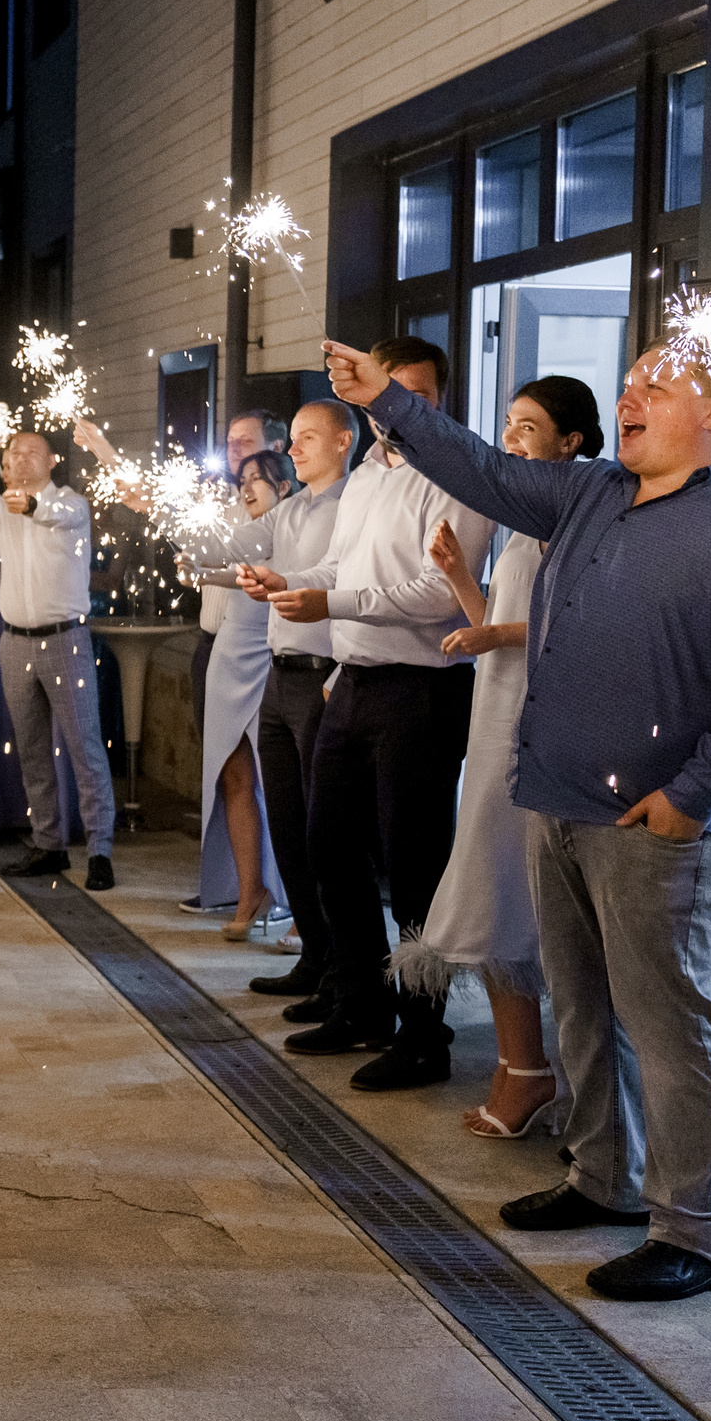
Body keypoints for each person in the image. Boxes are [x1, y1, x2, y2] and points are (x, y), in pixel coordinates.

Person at [328, 336, 711, 1301]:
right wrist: (387, 401)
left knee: (672, 1019)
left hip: (664, 823)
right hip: (556, 798)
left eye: (658, 384)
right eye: (629, 379)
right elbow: (481, 466)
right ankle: (601, 1174)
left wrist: (690, 796)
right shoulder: (593, 491)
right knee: (583, 1004)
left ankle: (696, 1227)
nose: (630, 394)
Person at [241, 341, 494, 1090]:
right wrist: (290, 580)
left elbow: (440, 594)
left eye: (415, 393)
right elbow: (345, 572)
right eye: (389, 392)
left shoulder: (461, 474)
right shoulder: (366, 477)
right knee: (328, 844)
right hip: (353, 682)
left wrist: (333, 602)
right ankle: (359, 1001)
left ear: (439, 399)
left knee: (414, 867)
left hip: (421, 689)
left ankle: (425, 1035)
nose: (399, 407)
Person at [394, 377, 600, 1142]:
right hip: (496, 726)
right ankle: (523, 1064)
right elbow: (504, 625)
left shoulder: (577, 514)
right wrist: (457, 580)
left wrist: (494, 636)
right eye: (508, 426)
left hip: (539, 733)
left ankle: (533, 1070)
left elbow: (567, 631)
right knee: (492, 887)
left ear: (570, 443)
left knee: (511, 894)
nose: (511, 439)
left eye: (528, 428)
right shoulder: (521, 526)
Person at [173, 402, 355, 981]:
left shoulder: (353, 504)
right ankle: (315, 955)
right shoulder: (292, 508)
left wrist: (282, 583)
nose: (294, 449)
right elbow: (228, 547)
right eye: (293, 439)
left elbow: (337, 576)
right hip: (280, 671)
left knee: (322, 819)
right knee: (284, 811)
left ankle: (337, 958)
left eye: (305, 438)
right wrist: (171, 513)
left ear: (344, 442)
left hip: (322, 671)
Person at [0, 431, 117, 888]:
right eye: (13, 452)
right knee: (32, 749)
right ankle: (48, 843)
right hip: (13, 643)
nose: (20, 459)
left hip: (65, 640)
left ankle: (100, 850)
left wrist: (33, 507)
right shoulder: (1, 510)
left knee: (85, 747)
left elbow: (56, 516)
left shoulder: (71, 503)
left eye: (30, 452)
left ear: (53, 460)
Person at [189, 449, 294, 939]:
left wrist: (205, 565)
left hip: (275, 668)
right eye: (243, 479)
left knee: (286, 788)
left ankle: (300, 907)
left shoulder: (293, 530)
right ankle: (250, 889)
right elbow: (228, 566)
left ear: (285, 487)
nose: (246, 487)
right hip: (228, 661)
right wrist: (196, 565)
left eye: (259, 479)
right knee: (234, 780)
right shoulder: (243, 532)